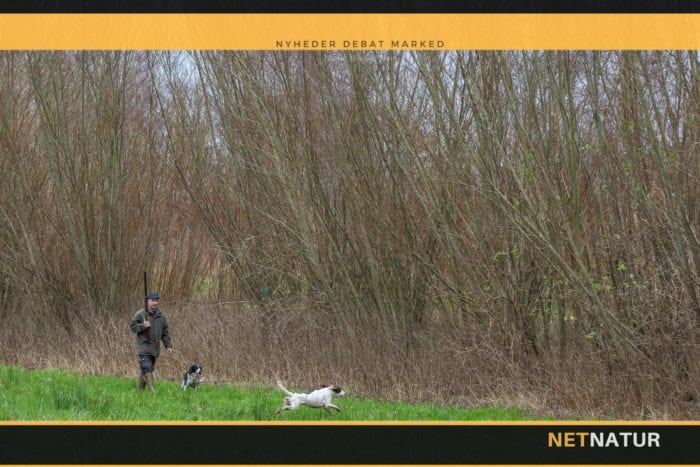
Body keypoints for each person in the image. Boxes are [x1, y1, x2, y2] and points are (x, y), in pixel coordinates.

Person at [129, 291, 173, 391]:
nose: (155, 303)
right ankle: (153, 391)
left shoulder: (161, 317)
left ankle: (139, 391)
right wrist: (143, 326)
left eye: (156, 300)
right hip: (144, 348)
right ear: (147, 301)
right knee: (147, 368)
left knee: (145, 369)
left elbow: (165, 334)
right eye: (152, 300)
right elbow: (132, 327)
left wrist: (168, 346)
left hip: (154, 349)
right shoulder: (140, 314)